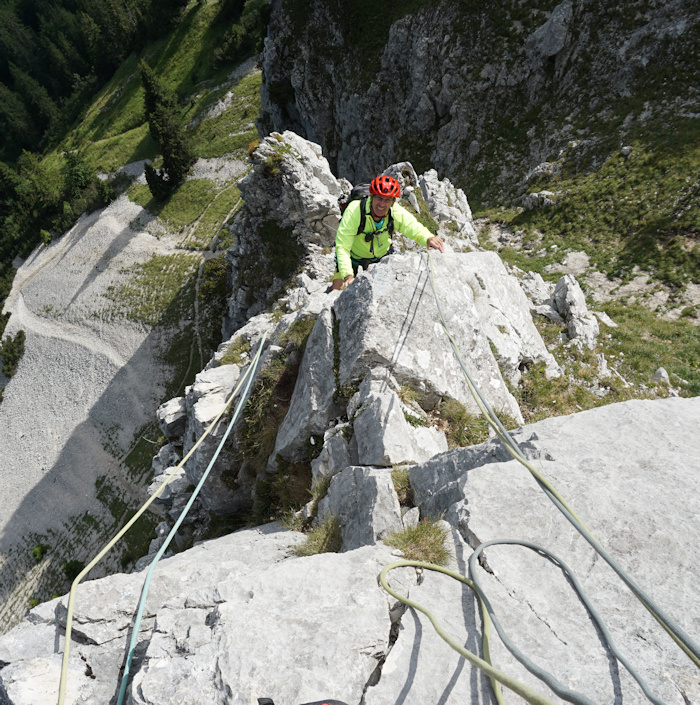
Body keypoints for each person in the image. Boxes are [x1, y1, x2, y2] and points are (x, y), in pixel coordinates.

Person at [331, 175, 445, 290]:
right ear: (372, 197)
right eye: (379, 198)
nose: (382, 204)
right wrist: (348, 276)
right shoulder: (354, 210)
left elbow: (412, 226)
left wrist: (428, 238)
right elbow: (343, 246)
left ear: (393, 202)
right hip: (352, 256)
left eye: (387, 200)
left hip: (381, 256)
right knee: (336, 291)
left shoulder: (394, 211)